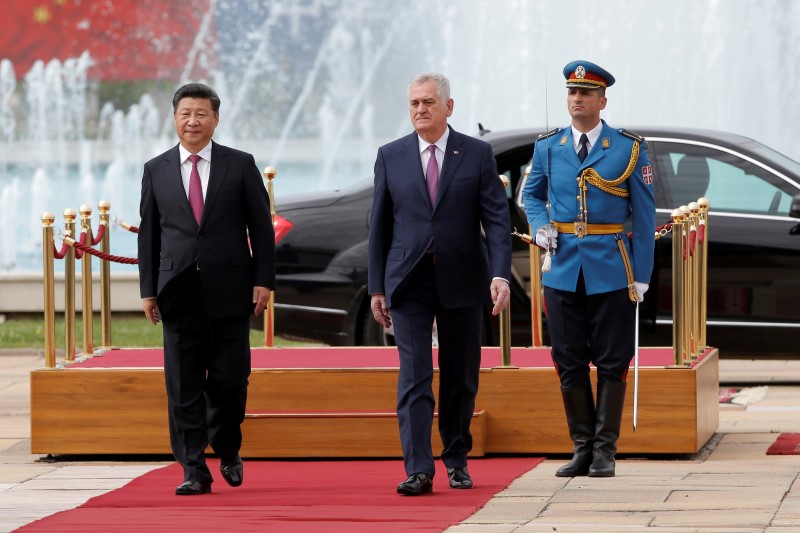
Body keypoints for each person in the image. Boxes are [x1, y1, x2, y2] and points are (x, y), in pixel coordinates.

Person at [368, 73, 512, 495]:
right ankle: (418, 468)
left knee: (460, 375)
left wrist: (499, 274)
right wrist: (377, 286)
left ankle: (456, 458)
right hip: (408, 281)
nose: (420, 110)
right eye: (413, 103)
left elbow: (497, 220)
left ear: (449, 107)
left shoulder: (476, 153)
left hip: (463, 279)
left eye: (428, 102)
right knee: (413, 375)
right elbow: (379, 225)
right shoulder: (390, 155)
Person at [138, 82, 275, 495]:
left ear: (216, 119)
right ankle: (193, 467)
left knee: (230, 379)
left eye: (201, 114)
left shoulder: (240, 164)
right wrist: (148, 289)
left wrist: (263, 280)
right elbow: (149, 234)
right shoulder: (156, 168)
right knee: (181, 384)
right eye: (185, 113)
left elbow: (261, 229)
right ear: (175, 118)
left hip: (231, 289)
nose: (192, 121)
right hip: (176, 289)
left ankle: (229, 448)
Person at [522, 60, 655, 478]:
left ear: (602, 100)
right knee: (568, 358)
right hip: (562, 269)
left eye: (585, 93)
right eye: (571, 92)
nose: (576, 99)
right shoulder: (549, 146)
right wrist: (540, 227)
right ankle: (581, 448)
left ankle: (605, 452)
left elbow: (646, 216)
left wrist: (643, 273)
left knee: (613, 360)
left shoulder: (629, 147)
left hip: (612, 267)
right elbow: (531, 196)